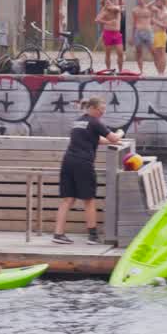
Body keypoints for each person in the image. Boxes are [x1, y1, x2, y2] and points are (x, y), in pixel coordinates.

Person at [53, 96, 123, 245]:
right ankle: (92, 236)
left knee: (67, 199)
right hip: (83, 163)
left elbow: (93, 139)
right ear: (92, 108)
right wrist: (121, 133)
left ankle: (58, 234)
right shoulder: (95, 122)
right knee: (89, 199)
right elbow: (114, 139)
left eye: (104, 110)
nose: (102, 113)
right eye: (100, 110)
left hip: (68, 162)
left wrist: (112, 139)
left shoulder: (79, 121)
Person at [95, 0, 125, 72]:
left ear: (112, 3)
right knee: (108, 53)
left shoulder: (117, 10)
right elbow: (97, 19)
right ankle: (108, 70)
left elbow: (118, 8)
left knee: (120, 52)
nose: (107, 4)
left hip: (117, 33)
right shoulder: (105, 12)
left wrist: (110, 6)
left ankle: (120, 70)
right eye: (106, 3)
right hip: (108, 33)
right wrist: (107, 22)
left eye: (109, 2)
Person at [130, 0, 153, 74]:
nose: (139, 1)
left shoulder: (149, 8)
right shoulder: (135, 10)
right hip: (138, 31)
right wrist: (132, 36)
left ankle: (159, 68)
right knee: (139, 52)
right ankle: (141, 70)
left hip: (148, 30)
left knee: (153, 50)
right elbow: (134, 23)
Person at [150, 0, 167, 75]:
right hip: (154, 33)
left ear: (163, 2)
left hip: (161, 34)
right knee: (155, 54)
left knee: (161, 54)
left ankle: (161, 72)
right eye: (156, 1)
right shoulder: (155, 10)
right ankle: (158, 71)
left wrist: (156, 22)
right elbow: (147, 6)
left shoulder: (166, 12)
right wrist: (154, 0)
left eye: (158, 1)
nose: (157, 2)